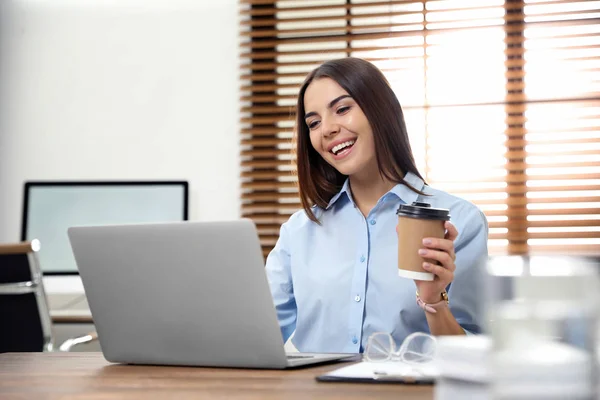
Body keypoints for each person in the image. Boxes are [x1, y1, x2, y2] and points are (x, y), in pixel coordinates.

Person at [265, 57, 488, 354]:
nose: (327, 129)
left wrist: (434, 301)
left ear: (380, 110)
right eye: (314, 123)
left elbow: (474, 357)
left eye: (342, 109)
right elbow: (257, 338)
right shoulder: (299, 230)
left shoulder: (460, 220)